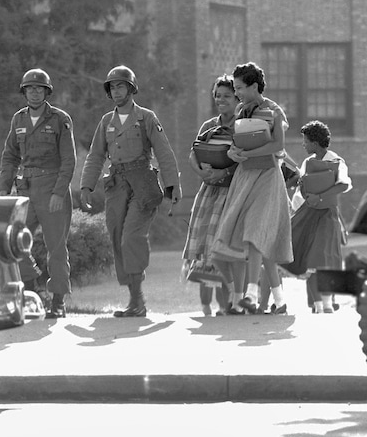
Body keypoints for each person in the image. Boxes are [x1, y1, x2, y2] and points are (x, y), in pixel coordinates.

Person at [79, 65, 182, 317]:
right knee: (116, 236)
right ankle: (133, 299)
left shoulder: (146, 117)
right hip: (116, 185)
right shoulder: (106, 121)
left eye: (121, 86)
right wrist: (86, 185)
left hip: (143, 184)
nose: (116, 92)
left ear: (131, 88)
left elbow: (164, 152)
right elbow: (95, 155)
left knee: (131, 237)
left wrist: (173, 185)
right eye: (112, 87)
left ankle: (138, 300)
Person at [210, 62, 293, 315]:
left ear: (254, 86)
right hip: (245, 177)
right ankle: (280, 301)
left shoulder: (273, 111)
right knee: (260, 240)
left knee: (256, 232)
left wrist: (249, 152)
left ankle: (251, 293)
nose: (237, 93)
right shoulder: (241, 111)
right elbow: (237, 142)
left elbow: (278, 144)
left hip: (268, 177)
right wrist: (234, 153)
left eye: (239, 88)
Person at [0, 68, 76, 319]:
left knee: (56, 247)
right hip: (26, 188)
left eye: (39, 88)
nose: (34, 92)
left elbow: (69, 160)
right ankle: (31, 292)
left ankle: (58, 301)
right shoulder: (18, 119)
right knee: (14, 240)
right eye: (29, 88)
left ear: (46, 92)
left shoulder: (59, 119)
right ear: (24, 92)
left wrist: (59, 193)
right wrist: (2, 188)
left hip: (52, 187)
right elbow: (10, 156)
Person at [182, 74, 246, 316]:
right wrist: (201, 172)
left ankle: (230, 303)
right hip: (209, 192)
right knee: (207, 249)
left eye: (227, 96)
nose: (221, 100)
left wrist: (223, 172)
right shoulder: (208, 126)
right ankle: (212, 306)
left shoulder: (243, 124)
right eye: (217, 95)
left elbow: (245, 159)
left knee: (225, 249)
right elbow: (193, 153)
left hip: (232, 192)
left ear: (237, 98)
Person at [281, 120, 352, 313]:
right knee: (309, 256)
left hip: (327, 213)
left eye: (305, 141)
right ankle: (317, 304)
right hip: (309, 212)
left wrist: (320, 196)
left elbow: (344, 184)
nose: (303, 144)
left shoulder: (336, 161)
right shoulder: (307, 162)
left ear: (315, 142)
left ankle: (327, 303)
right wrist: (305, 193)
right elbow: (303, 185)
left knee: (325, 256)